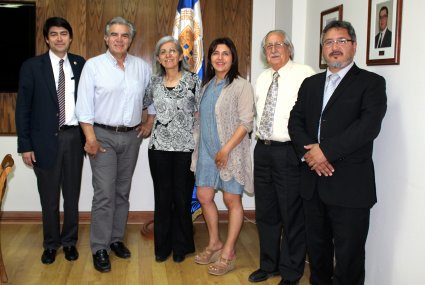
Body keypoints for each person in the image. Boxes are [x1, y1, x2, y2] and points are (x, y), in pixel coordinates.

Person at [288, 20, 387, 285]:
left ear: (354, 46)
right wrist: (311, 155)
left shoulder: (372, 83)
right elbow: (294, 122)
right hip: (312, 183)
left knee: (349, 258)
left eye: (341, 41)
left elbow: (367, 128)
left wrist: (325, 152)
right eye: (329, 42)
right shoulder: (310, 84)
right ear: (322, 48)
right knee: (317, 254)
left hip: (350, 186)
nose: (335, 48)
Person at [75, 16, 151, 273]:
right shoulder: (93, 66)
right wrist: (90, 138)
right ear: (106, 38)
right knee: (104, 193)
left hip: (131, 137)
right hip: (102, 136)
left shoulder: (141, 67)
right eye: (115, 35)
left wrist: (148, 123)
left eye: (125, 35)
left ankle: (116, 239)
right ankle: (99, 247)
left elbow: (150, 100)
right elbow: (83, 107)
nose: (120, 39)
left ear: (130, 39)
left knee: (121, 192)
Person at [15, 17, 85, 265]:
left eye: (63, 33)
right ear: (46, 38)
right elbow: (22, 108)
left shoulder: (80, 64)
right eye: (53, 34)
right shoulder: (32, 66)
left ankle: (69, 242)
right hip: (44, 141)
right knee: (49, 197)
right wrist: (25, 145)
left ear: (70, 37)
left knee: (72, 196)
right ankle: (51, 244)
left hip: (75, 138)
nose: (59, 38)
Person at [248, 30, 314, 285]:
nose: (273, 50)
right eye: (268, 46)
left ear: (289, 48)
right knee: (266, 212)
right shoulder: (263, 78)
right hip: (262, 149)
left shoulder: (305, 73)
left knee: (291, 214)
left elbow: (311, 114)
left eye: (278, 45)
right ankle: (268, 265)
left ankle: (291, 272)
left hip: (288, 151)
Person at [191, 37, 254, 276]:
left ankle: (228, 251)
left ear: (233, 57)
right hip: (206, 152)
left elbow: (246, 122)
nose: (220, 57)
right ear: (210, 58)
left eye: (225, 53)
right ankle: (214, 242)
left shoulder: (241, 85)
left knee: (231, 201)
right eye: (215, 53)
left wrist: (226, 149)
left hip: (232, 152)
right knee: (205, 196)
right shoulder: (206, 86)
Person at [143, 36, 201, 263]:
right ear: (158, 58)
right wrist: (148, 123)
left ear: (180, 55)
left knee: (182, 198)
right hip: (158, 148)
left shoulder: (194, 81)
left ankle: (181, 246)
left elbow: (198, 114)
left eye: (172, 51)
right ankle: (162, 247)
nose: (168, 55)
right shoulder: (154, 83)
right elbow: (149, 106)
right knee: (163, 197)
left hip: (186, 148)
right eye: (163, 52)